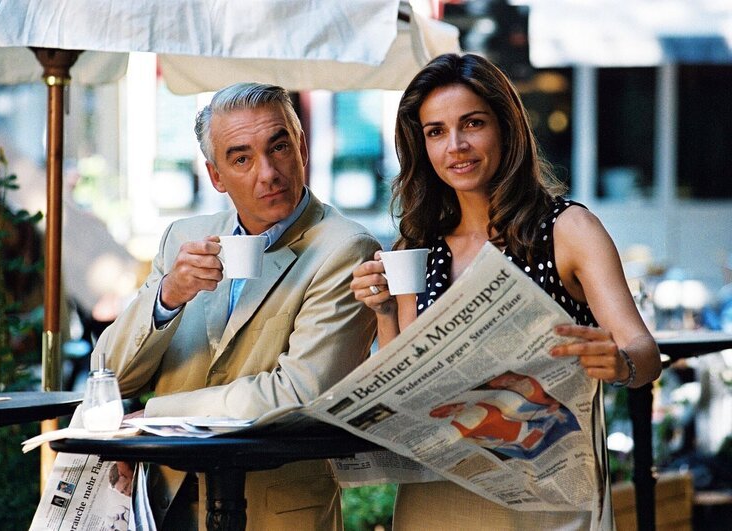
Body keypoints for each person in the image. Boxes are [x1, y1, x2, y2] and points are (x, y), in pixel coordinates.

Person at [350, 53, 662, 529]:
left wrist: (620, 364)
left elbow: (644, 351)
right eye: (435, 131)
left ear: (505, 127)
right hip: (440, 494)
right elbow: (408, 387)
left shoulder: (568, 229)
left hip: (546, 498)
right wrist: (386, 313)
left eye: (472, 123)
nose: (455, 145)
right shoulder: (417, 247)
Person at [93, 82, 380, 529]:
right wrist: (168, 296)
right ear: (216, 176)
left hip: (273, 513)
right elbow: (108, 377)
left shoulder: (346, 247)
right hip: (165, 505)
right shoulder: (184, 237)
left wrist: (155, 418)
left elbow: (300, 394)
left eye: (278, 147)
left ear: (301, 147)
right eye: (241, 158)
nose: (267, 173)